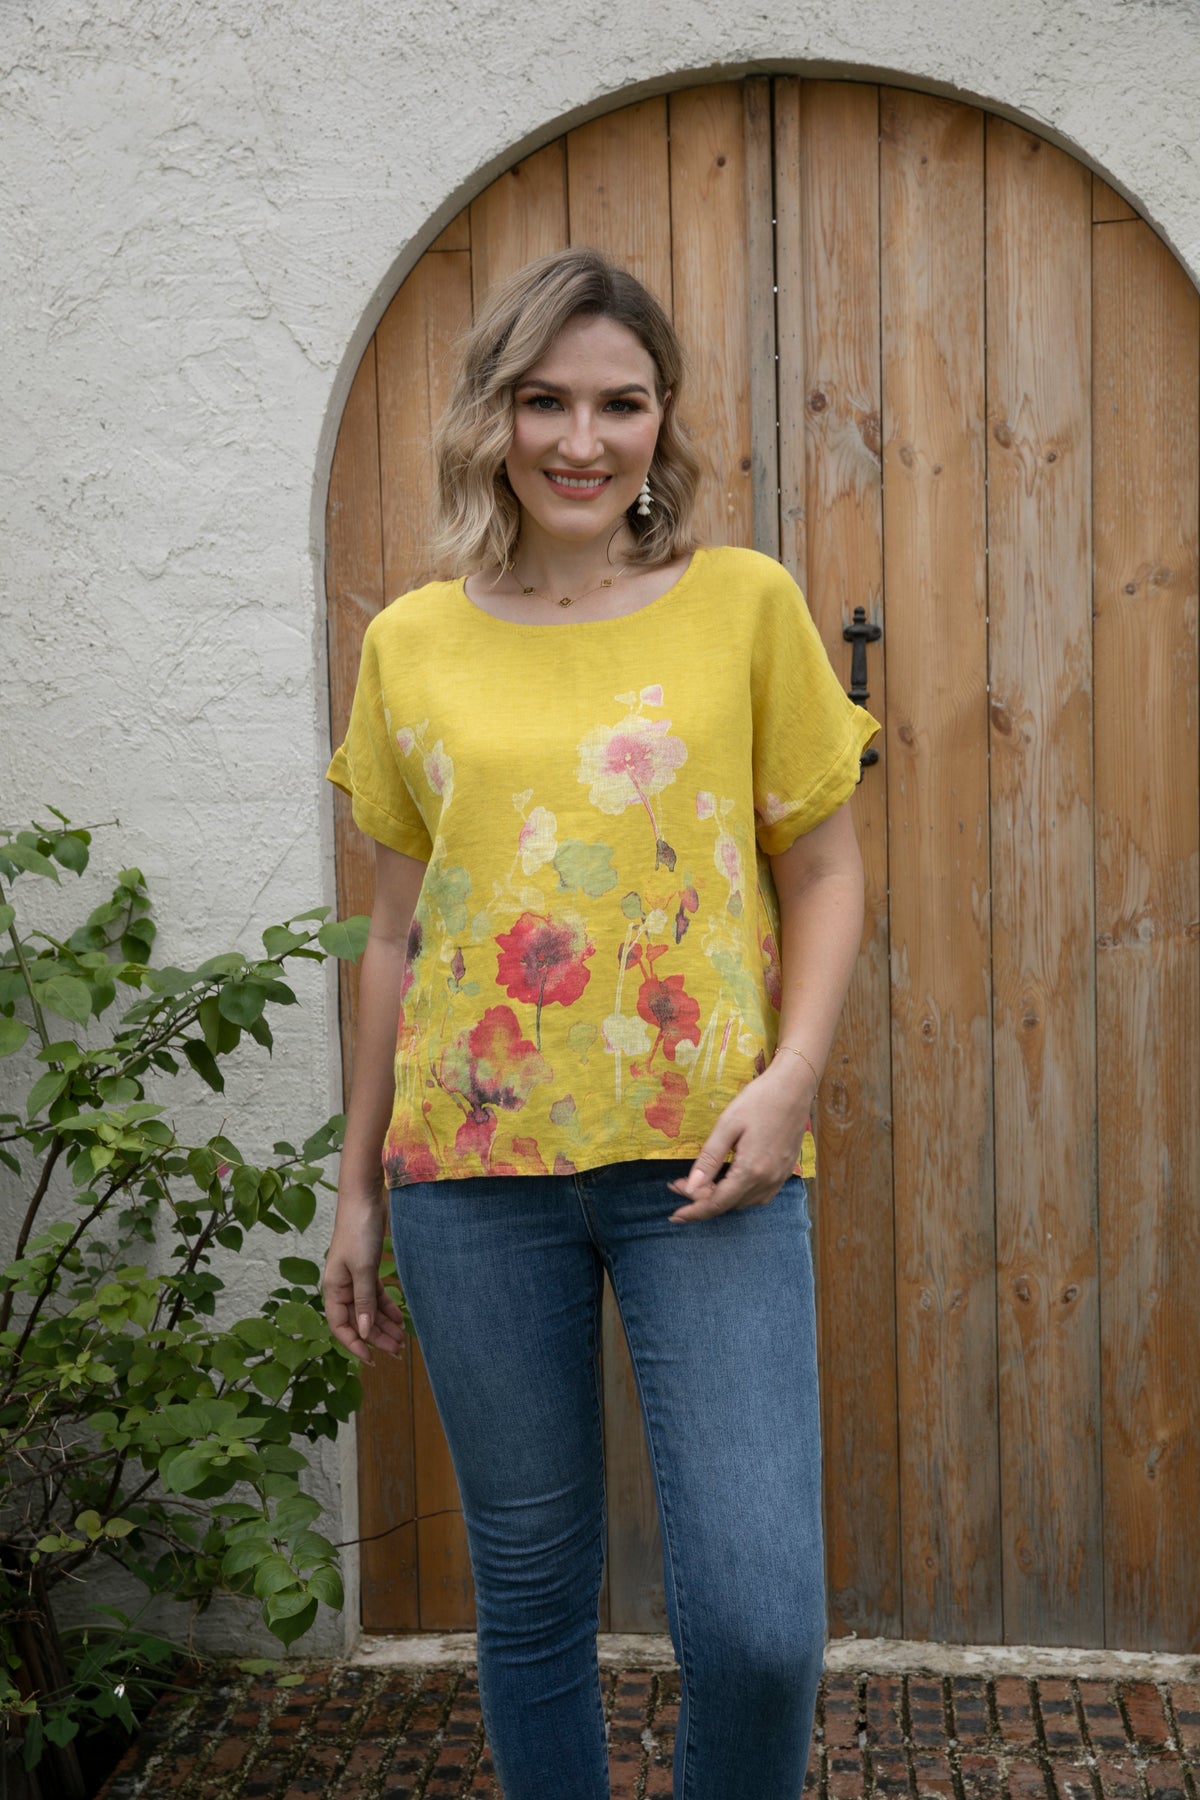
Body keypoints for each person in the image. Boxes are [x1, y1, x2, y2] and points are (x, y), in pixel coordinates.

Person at [321, 246, 880, 1800]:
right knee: (530, 1597)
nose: (582, 440)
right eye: (544, 401)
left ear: (662, 421)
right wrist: (357, 1188)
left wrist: (793, 1077)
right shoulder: (410, 642)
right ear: (490, 418)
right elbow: (394, 934)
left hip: (713, 1165)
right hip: (468, 1184)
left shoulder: (744, 605)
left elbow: (825, 870)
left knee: (760, 1624)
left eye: (619, 403)